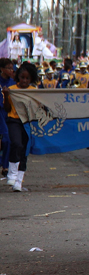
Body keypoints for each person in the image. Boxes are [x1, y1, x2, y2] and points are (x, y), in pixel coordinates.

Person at [5, 62, 38, 192]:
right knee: (16, 144)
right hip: (14, 120)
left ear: (31, 79)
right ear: (18, 76)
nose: (24, 80)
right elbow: (7, 108)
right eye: (22, 77)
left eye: (27, 78)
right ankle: (12, 174)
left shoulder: (34, 91)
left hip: (28, 123)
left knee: (24, 150)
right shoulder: (11, 89)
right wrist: (6, 96)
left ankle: (19, 181)